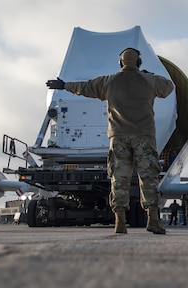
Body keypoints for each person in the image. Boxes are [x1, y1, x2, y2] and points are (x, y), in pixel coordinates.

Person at [46, 48, 174, 234]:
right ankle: (153, 220)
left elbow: (85, 87)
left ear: (121, 63)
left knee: (119, 179)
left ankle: (120, 222)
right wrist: (147, 74)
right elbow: (168, 87)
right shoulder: (150, 80)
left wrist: (64, 85)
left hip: (118, 137)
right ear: (138, 63)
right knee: (148, 178)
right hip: (143, 136)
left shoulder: (109, 81)